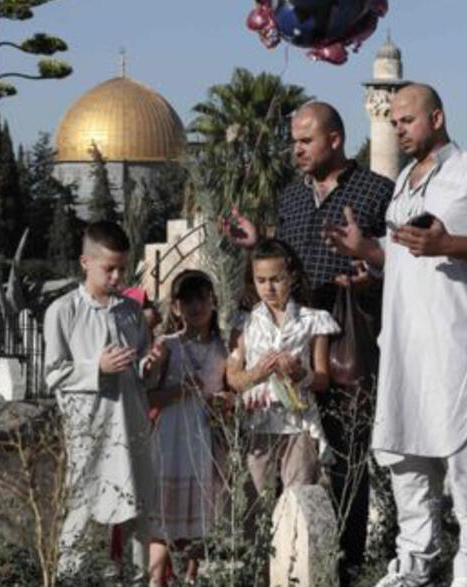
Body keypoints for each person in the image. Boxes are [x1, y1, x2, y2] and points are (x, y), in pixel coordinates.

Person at [325, 83, 467, 587]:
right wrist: (366, 250)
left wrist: (448, 243)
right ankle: (413, 563)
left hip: (456, 343)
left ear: (436, 118)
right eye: (392, 122)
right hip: (403, 344)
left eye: (406, 120)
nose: (398, 130)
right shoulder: (403, 185)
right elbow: (401, 259)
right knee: (404, 453)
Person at [223, 100, 393, 577]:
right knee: (285, 458)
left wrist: (371, 272)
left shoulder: (378, 192)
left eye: (305, 140)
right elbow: (284, 267)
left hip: (349, 342)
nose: (295, 149)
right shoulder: (291, 197)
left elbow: (403, 267)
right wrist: (259, 243)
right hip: (293, 352)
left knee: (344, 457)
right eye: (293, 140)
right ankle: (284, 563)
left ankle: (346, 564)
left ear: (334, 140)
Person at [44, 221, 167, 583]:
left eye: (121, 269)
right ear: (86, 262)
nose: (117, 276)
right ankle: (70, 579)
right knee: (84, 510)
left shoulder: (130, 311)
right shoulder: (63, 312)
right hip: (91, 430)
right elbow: (53, 373)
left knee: (140, 511)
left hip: (132, 427)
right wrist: (95, 367)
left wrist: (151, 363)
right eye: (109, 268)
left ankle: (139, 579)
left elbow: (141, 371)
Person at [226, 239, 339, 511]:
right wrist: (257, 373)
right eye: (261, 280)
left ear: (292, 277)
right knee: (256, 507)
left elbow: (323, 379)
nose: (269, 288)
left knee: (300, 504)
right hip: (258, 424)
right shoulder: (245, 322)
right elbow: (233, 377)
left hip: (298, 424)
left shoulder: (313, 319)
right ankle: (260, 554)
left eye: (276, 279)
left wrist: (300, 373)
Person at [147, 270, 233, 586]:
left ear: (213, 303)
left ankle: (191, 578)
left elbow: (229, 392)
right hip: (170, 441)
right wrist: (178, 391)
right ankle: (155, 580)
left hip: (204, 438)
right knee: (163, 517)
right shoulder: (166, 345)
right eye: (187, 300)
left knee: (200, 516)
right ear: (175, 307)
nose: (195, 306)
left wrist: (224, 400)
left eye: (202, 298)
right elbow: (147, 396)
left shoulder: (223, 350)